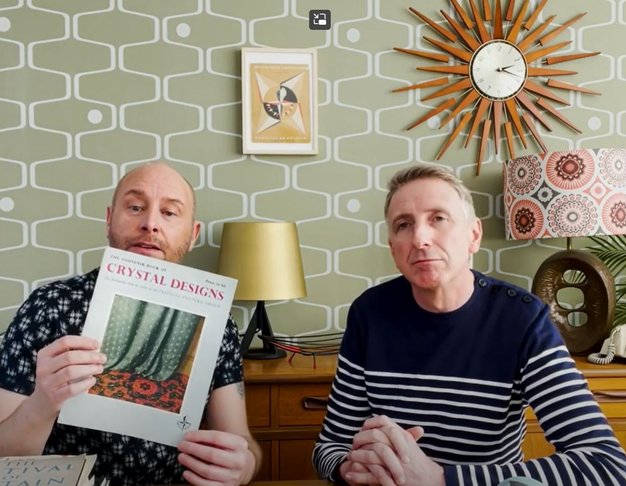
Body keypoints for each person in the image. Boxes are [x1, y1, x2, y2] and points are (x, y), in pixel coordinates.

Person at [313, 164, 626, 485]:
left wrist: (439, 479)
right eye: (404, 224)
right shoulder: (369, 313)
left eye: (438, 218)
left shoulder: (524, 320)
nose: (420, 238)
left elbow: (606, 464)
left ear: (473, 235)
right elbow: (330, 446)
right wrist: (347, 467)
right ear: (393, 248)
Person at [0, 162, 262, 485]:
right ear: (109, 220)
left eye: (169, 213)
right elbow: (3, 456)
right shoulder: (48, 306)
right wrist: (42, 403)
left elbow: (243, 442)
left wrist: (244, 466)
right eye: (135, 207)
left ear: (193, 234)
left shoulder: (218, 324)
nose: (150, 224)